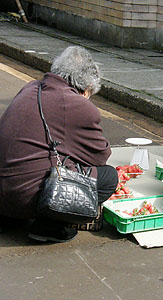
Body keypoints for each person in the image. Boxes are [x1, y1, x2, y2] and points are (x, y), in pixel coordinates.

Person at [0, 46, 118, 243]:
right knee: (108, 176)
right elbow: (99, 156)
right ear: (86, 88)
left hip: (3, 195)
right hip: (23, 197)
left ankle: (10, 218)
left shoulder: (30, 88)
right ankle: (49, 226)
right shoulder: (77, 104)